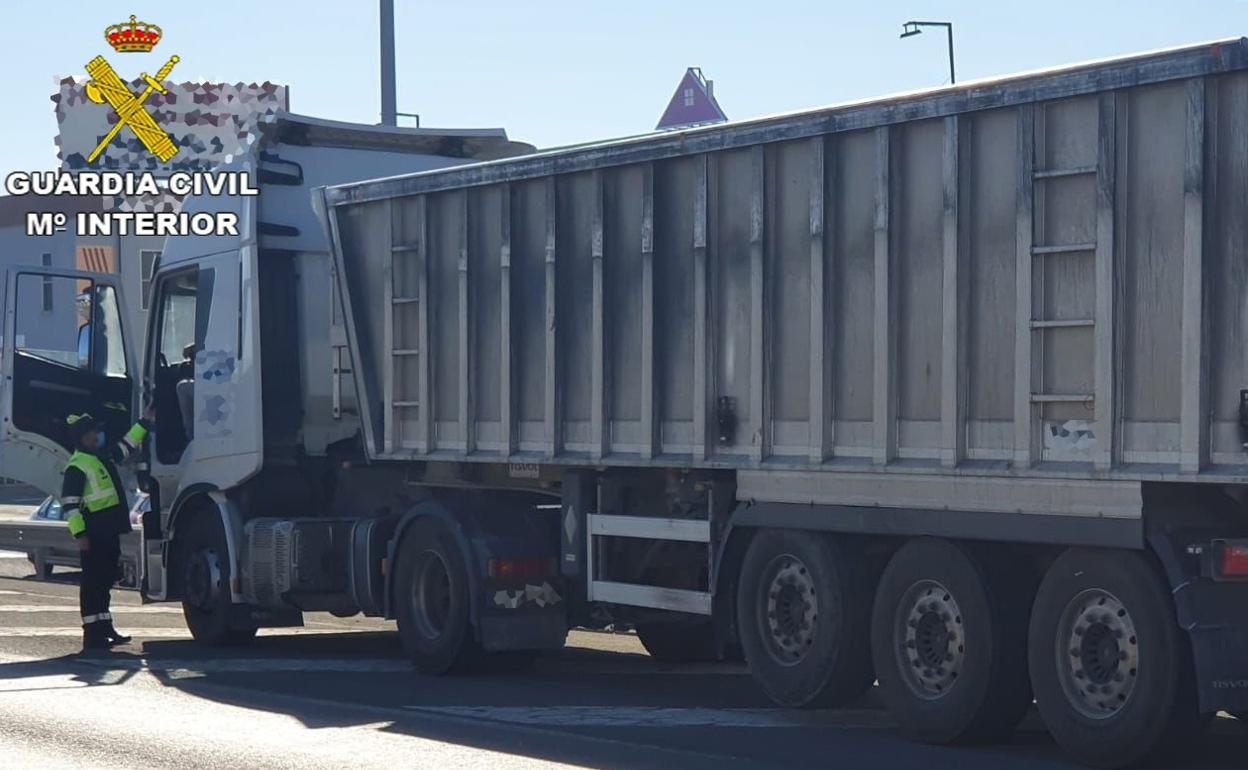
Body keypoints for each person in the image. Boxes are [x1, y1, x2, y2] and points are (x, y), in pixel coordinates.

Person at [61, 407, 154, 651]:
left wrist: (144, 422)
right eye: (92, 433)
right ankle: (92, 634)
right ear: (82, 437)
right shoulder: (77, 466)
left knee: (104, 581)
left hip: (108, 531)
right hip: (93, 533)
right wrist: (80, 535)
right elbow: (70, 506)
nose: (96, 436)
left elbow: (126, 446)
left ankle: (105, 628)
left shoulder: (100, 457)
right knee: (93, 583)